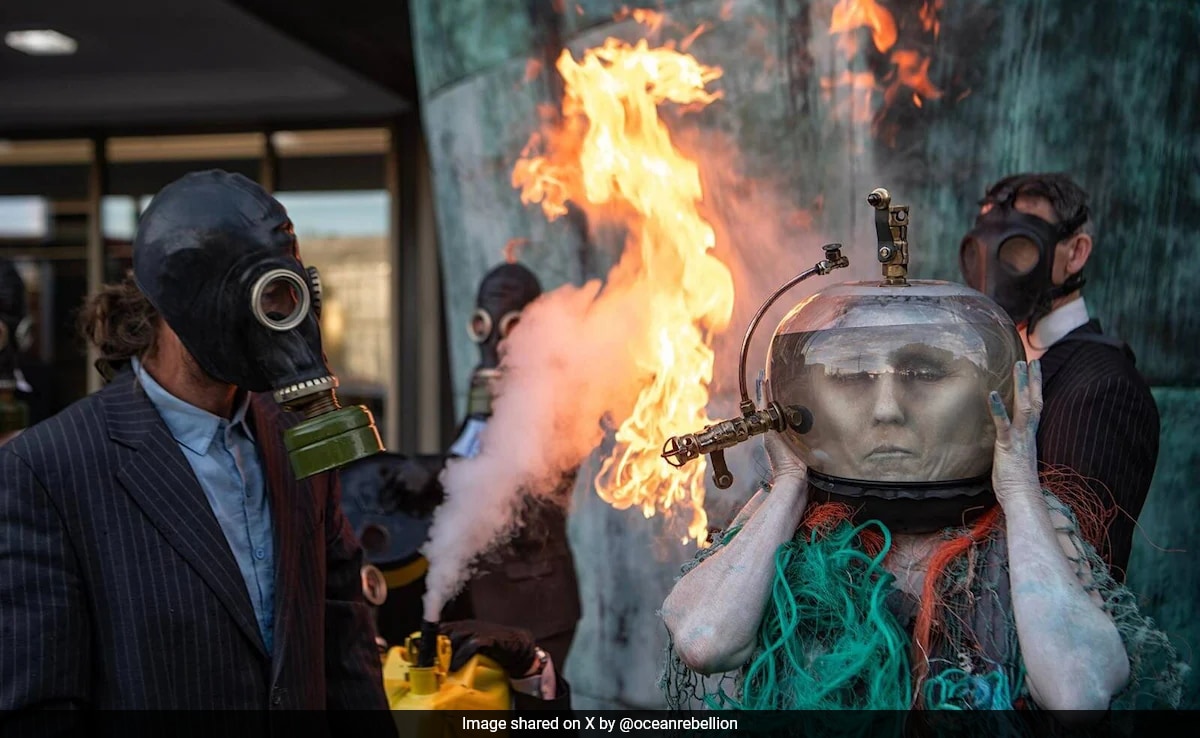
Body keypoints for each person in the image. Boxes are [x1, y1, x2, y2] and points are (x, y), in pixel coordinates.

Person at [660, 278, 1183, 715]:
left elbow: (1077, 690)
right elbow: (705, 640)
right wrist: (790, 483)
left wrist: (1020, 487)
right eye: (853, 376)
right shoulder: (795, 520)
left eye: (924, 373)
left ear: (999, 393)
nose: (887, 409)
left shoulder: (1030, 525)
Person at [0, 170, 393, 724]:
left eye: (290, 291)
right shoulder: (47, 471)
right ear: (178, 304)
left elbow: (343, 642)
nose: (282, 319)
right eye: (264, 296)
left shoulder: (293, 444)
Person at [373, 261, 582, 671]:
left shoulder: (559, 396)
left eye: (512, 324)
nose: (495, 342)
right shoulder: (484, 389)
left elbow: (518, 484)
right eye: (485, 323)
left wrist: (431, 469)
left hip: (529, 607)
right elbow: (470, 460)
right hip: (476, 602)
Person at [959, 173, 1160, 580]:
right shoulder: (989, 361)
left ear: (1075, 253)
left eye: (1018, 246)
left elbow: (1080, 566)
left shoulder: (1102, 387)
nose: (996, 265)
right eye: (984, 246)